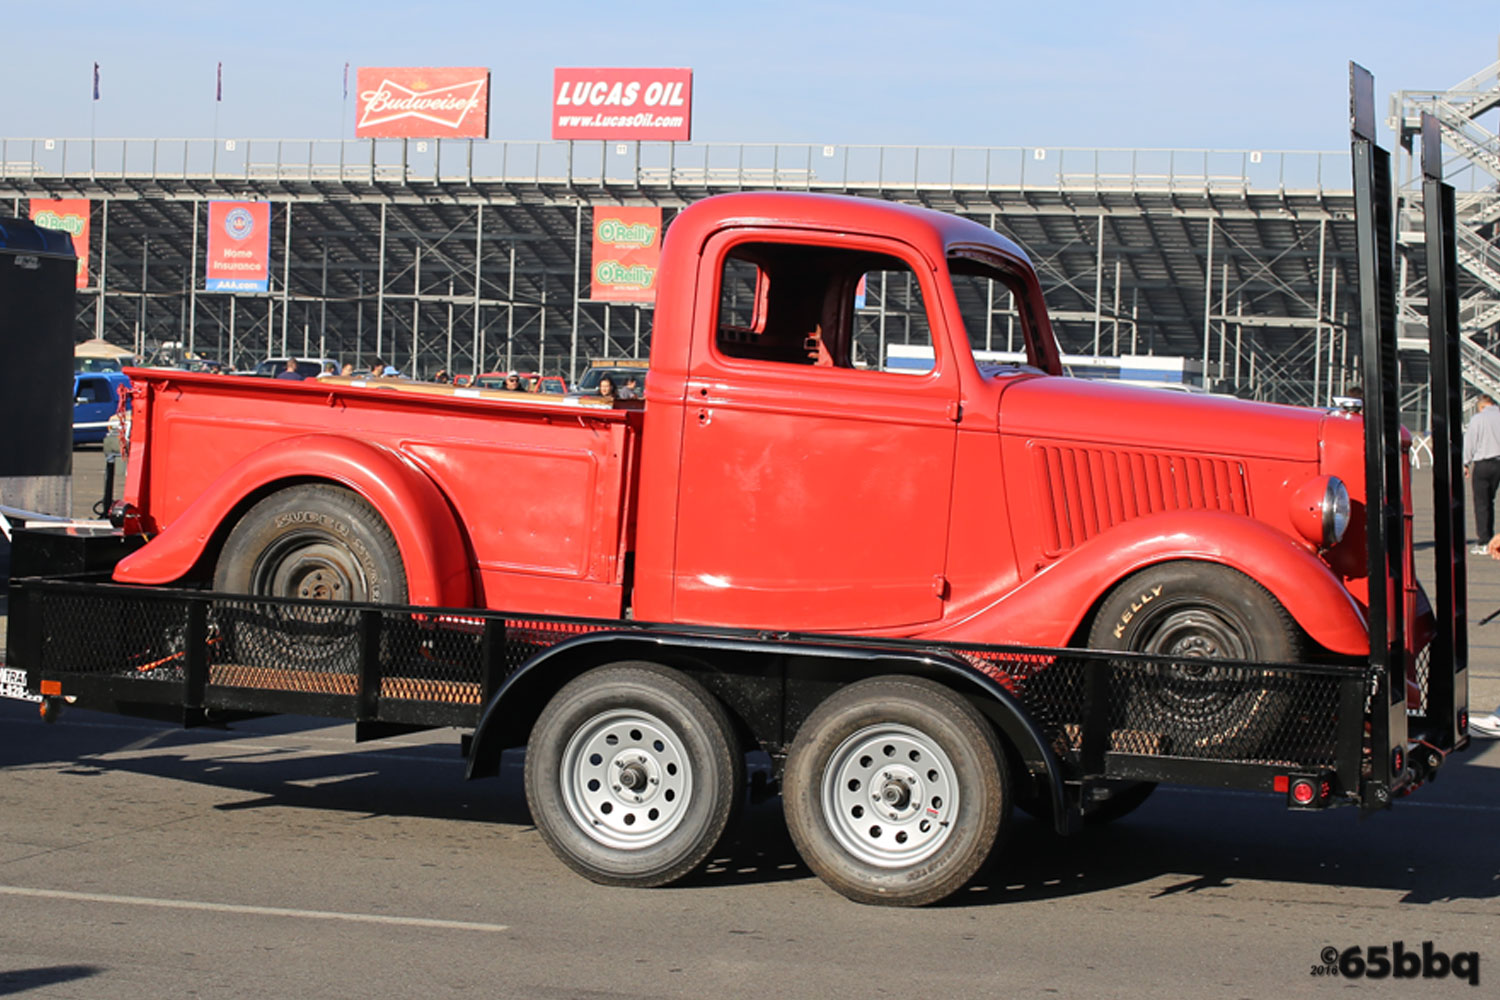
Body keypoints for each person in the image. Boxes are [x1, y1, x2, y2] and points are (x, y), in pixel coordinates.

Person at [1463, 395, 1500, 556]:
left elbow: (1470, 441)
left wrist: (1465, 462)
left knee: (1483, 503)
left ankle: (1485, 541)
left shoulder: (1478, 419)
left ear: (1481, 406)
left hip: (1484, 463)